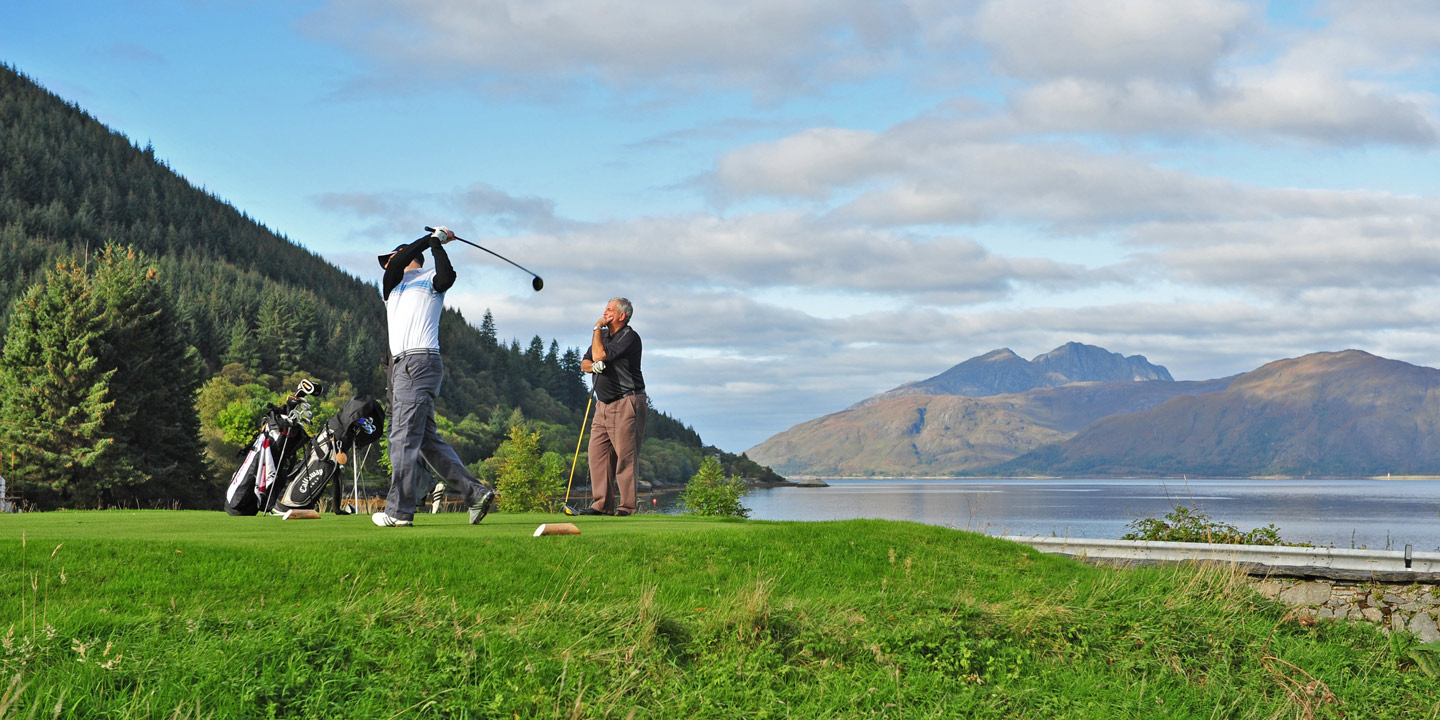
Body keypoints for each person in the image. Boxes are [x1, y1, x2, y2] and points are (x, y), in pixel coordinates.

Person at [373, 226, 495, 527]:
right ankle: (475, 493)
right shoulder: (392, 285)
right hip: (405, 367)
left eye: (388, 259)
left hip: (418, 362)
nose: (387, 265)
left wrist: (438, 246)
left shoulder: (429, 279)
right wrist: (430, 239)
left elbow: (447, 276)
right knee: (426, 441)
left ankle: (398, 512)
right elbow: (401, 262)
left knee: (401, 438)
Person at [579, 297, 646, 516]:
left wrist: (597, 327)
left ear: (621, 316)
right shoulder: (603, 336)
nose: (604, 312)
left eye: (609, 310)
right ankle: (601, 505)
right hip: (603, 405)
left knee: (625, 457)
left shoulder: (629, 337)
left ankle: (626, 508)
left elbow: (600, 355)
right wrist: (593, 367)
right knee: (597, 454)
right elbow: (585, 362)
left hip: (626, 401)